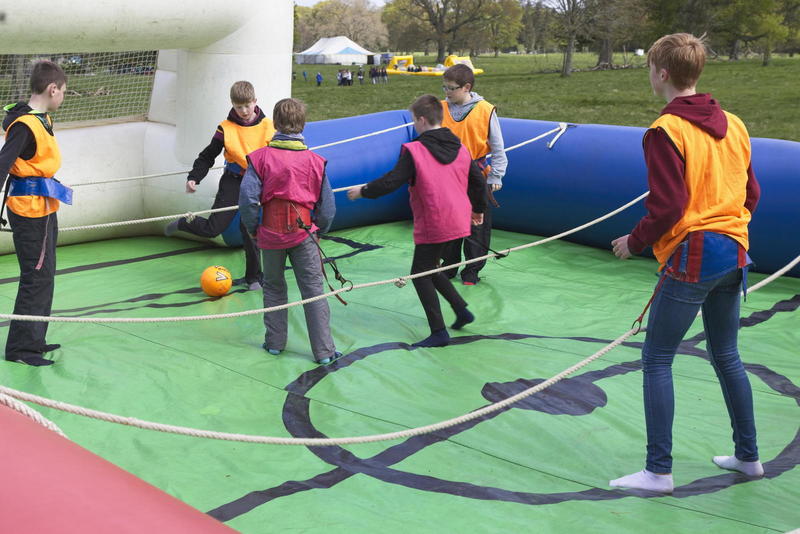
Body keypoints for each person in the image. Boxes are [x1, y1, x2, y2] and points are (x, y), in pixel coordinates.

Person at [609, 33, 763, 494]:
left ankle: (658, 471)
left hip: (695, 254)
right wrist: (728, 225)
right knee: (727, 354)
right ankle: (748, 456)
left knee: (656, 358)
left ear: (661, 73)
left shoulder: (665, 130)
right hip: (734, 252)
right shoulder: (735, 123)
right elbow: (751, 194)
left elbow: (669, 206)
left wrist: (634, 242)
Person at [347, 95, 486, 348]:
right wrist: (478, 210)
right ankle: (461, 309)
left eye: (414, 120)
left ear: (421, 120)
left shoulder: (415, 151)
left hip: (436, 221)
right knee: (431, 267)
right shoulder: (461, 148)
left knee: (420, 274)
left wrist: (363, 191)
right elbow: (478, 181)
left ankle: (438, 332)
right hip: (458, 219)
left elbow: (392, 181)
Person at [239, 98, 342, 365]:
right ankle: (324, 351)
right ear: (303, 124)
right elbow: (328, 207)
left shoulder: (260, 158)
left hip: (270, 234)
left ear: (275, 123)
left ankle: (274, 343)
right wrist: (320, 230)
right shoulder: (315, 161)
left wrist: (253, 229)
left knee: (273, 287)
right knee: (314, 290)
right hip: (304, 234)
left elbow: (248, 199)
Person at [164, 81, 272, 290]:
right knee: (214, 229)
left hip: (256, 183)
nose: (244, 111)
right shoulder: (225, 128)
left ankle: (253, 277)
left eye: (247, 105)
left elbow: (278, 156)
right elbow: (207, 156)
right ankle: (185, 223)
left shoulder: (268, 126)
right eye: (239, 107)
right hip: (233, 181)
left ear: (255, 102)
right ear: (232, 105)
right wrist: (194, 177)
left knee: (250, 230)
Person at [0, 61, 68, 366]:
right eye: (63, 91)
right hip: (29, 211)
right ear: (52, 89)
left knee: (46, 274)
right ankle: (20, 349)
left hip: (45, 204)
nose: (63, 97)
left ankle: (35, 339)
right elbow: (3, 164)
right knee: (35, 277)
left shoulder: (43, 120)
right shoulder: (25, 126)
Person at [439, 63, 507, 285]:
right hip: (447, 176)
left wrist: (496, 175)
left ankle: (472, 269)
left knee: (476, 224)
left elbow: (498, 147)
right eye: (444, 87)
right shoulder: (440, 108)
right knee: (448, 222)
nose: (447, 92)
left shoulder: (485, 110)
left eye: (451, 88)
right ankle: (449, 265)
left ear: (466, 87)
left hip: (475, 176)